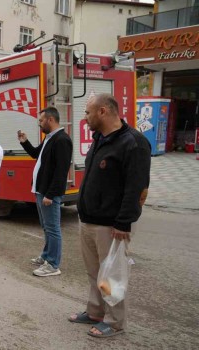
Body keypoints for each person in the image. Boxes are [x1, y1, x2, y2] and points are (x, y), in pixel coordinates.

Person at [68, 93, 150, 338]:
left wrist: (124, 221)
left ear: (102, 111)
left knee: (111, 275)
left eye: (87, 112)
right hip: (89, 219)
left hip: (112, 225)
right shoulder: (100, 139)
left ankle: (114, 322)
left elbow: (136, 188)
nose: (85, 118)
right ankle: (95, 312)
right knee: (95, 273)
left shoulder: (133, 142)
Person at [18, 107, 73, 277]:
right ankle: (46, 256)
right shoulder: (50, 138)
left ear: (50, 119)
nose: (39, 124)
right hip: (41, 190)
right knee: (46, 227)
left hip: (48, 193)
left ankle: (53, 265)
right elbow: (36, 154)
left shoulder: (62, 140)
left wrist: (50, 194)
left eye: (41, 120)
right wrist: (25, 142)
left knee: (53, 228)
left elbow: (61, 171)